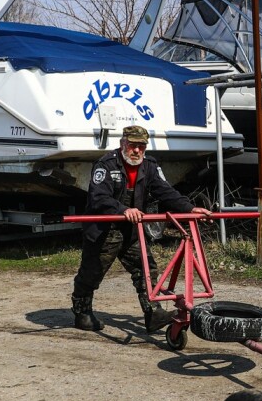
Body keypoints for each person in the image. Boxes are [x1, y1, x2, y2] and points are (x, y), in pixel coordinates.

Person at [70, 124, 209, 334]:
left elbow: (165, 191)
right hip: (104, 230)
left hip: (132, 231)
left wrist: (190, 207)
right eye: (133, 145)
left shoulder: (150, 166)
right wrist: (123, 209)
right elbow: (98, 198)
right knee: (92, 273)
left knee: (146, 269)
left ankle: (153, 313)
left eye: (141, 146)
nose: (137, 151)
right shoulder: (106, 165)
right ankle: (82, 312)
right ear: (123, 143)